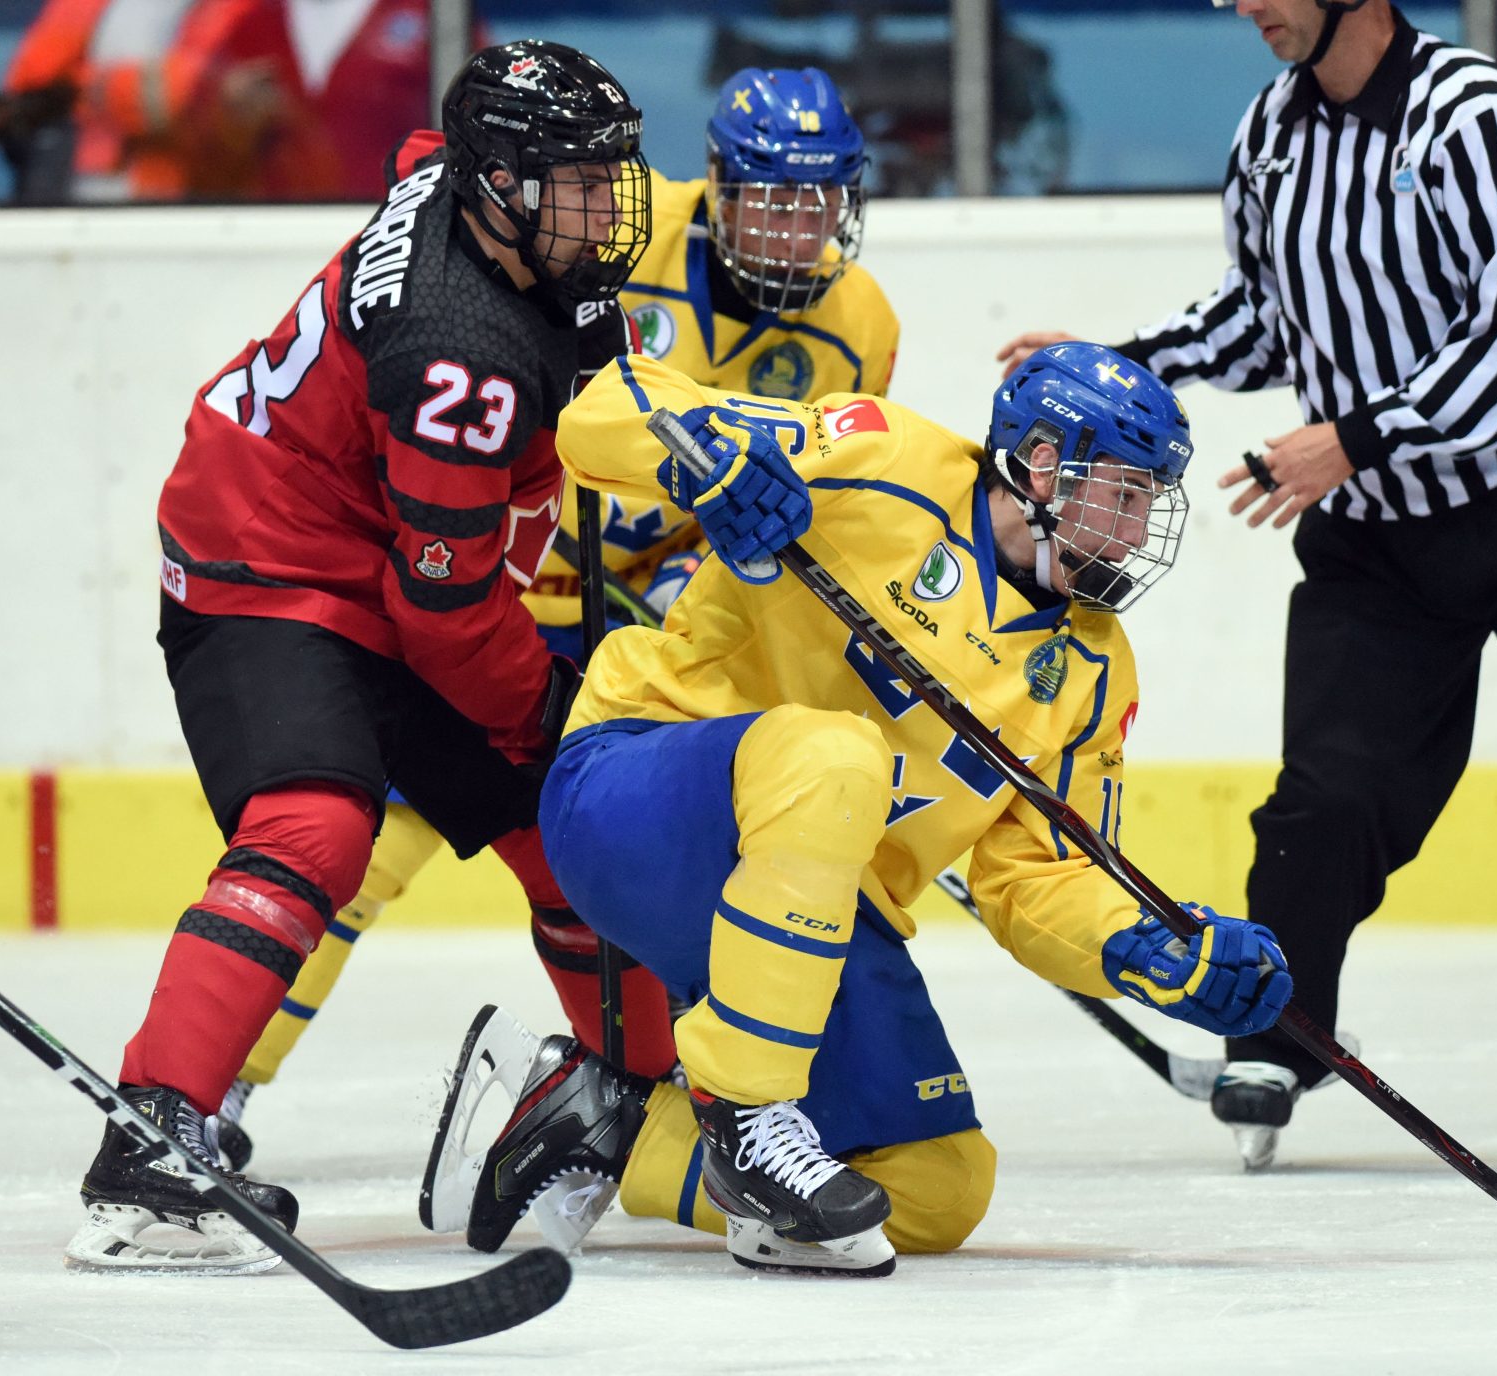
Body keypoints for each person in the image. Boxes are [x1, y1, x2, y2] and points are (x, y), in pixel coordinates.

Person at [998, 0, 1497, 1182]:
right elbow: (1263, 318)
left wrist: (1355, 436)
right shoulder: (1270, 136)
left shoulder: (1481, 119)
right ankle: (1277, 1030)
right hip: (1379, 541)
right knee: (1328, 794)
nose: (1244, 7)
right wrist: (1125, 361)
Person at [418, 342, 1293, 1276]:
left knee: (939, 1186)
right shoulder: (886, 461)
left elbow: (1039, 877)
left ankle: (606, 1121)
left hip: (810, 924)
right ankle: (747, 1116)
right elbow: (609, 404)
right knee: (841, 756)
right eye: (1123, 496)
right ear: (1042, 465)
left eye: (1150, 502)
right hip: (634, 802)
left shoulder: (1090, 672)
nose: (1138, 530)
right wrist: (707, 458)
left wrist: (1149, 949)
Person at [220, 66, 899, 1165]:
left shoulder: (861, 321)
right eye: (770, 197)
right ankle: (230, 1081)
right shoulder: (610, 228)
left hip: (652, 620)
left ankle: (650, 1078)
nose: (793, 228)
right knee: (373, 842)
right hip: (507, 593)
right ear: (714, 185)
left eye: (818, 201)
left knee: (646, 856)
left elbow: (800, 491)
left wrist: (690, 594)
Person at [69, 39, 652, 1274]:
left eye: (610, 176)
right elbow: (443, 613)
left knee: (574, 829)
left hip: (369, 542)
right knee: (317, 826)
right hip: (263, 563)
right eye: (578, 183)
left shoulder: (451, 178)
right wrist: (549, 712)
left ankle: (620, 1088)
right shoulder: (457, 359)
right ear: (497, 186)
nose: (607, 209)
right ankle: (149, 1140)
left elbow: (409, 153)